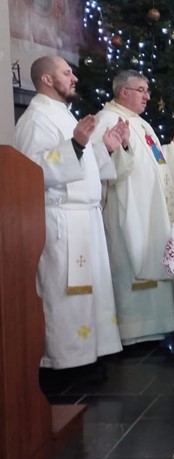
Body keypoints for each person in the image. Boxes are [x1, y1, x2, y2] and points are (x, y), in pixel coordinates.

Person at [14, 55, 124, 369]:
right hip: (62, 219)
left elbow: (82, 161)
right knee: (65, 295)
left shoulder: (62, 114)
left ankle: (88, 355)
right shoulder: (36, 118)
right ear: (47, 80)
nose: (74, 77)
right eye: (66, 72)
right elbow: (32, 168)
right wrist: (75, 146)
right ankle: (64, 363)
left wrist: (105, 148)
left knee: (91, 291)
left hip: (84, 217)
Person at [93, 70, 174, 345]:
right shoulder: (106, 120)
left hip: (150, 211)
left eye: (147, 90)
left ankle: (157, 325)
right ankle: (133, 330)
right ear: (123, 92)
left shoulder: (139, 123)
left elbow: (154, 163)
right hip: (130, 211)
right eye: (141, 90)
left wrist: (173, 149)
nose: (147, 96)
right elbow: (104, 166)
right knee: (131, 262)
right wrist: (121, 146)